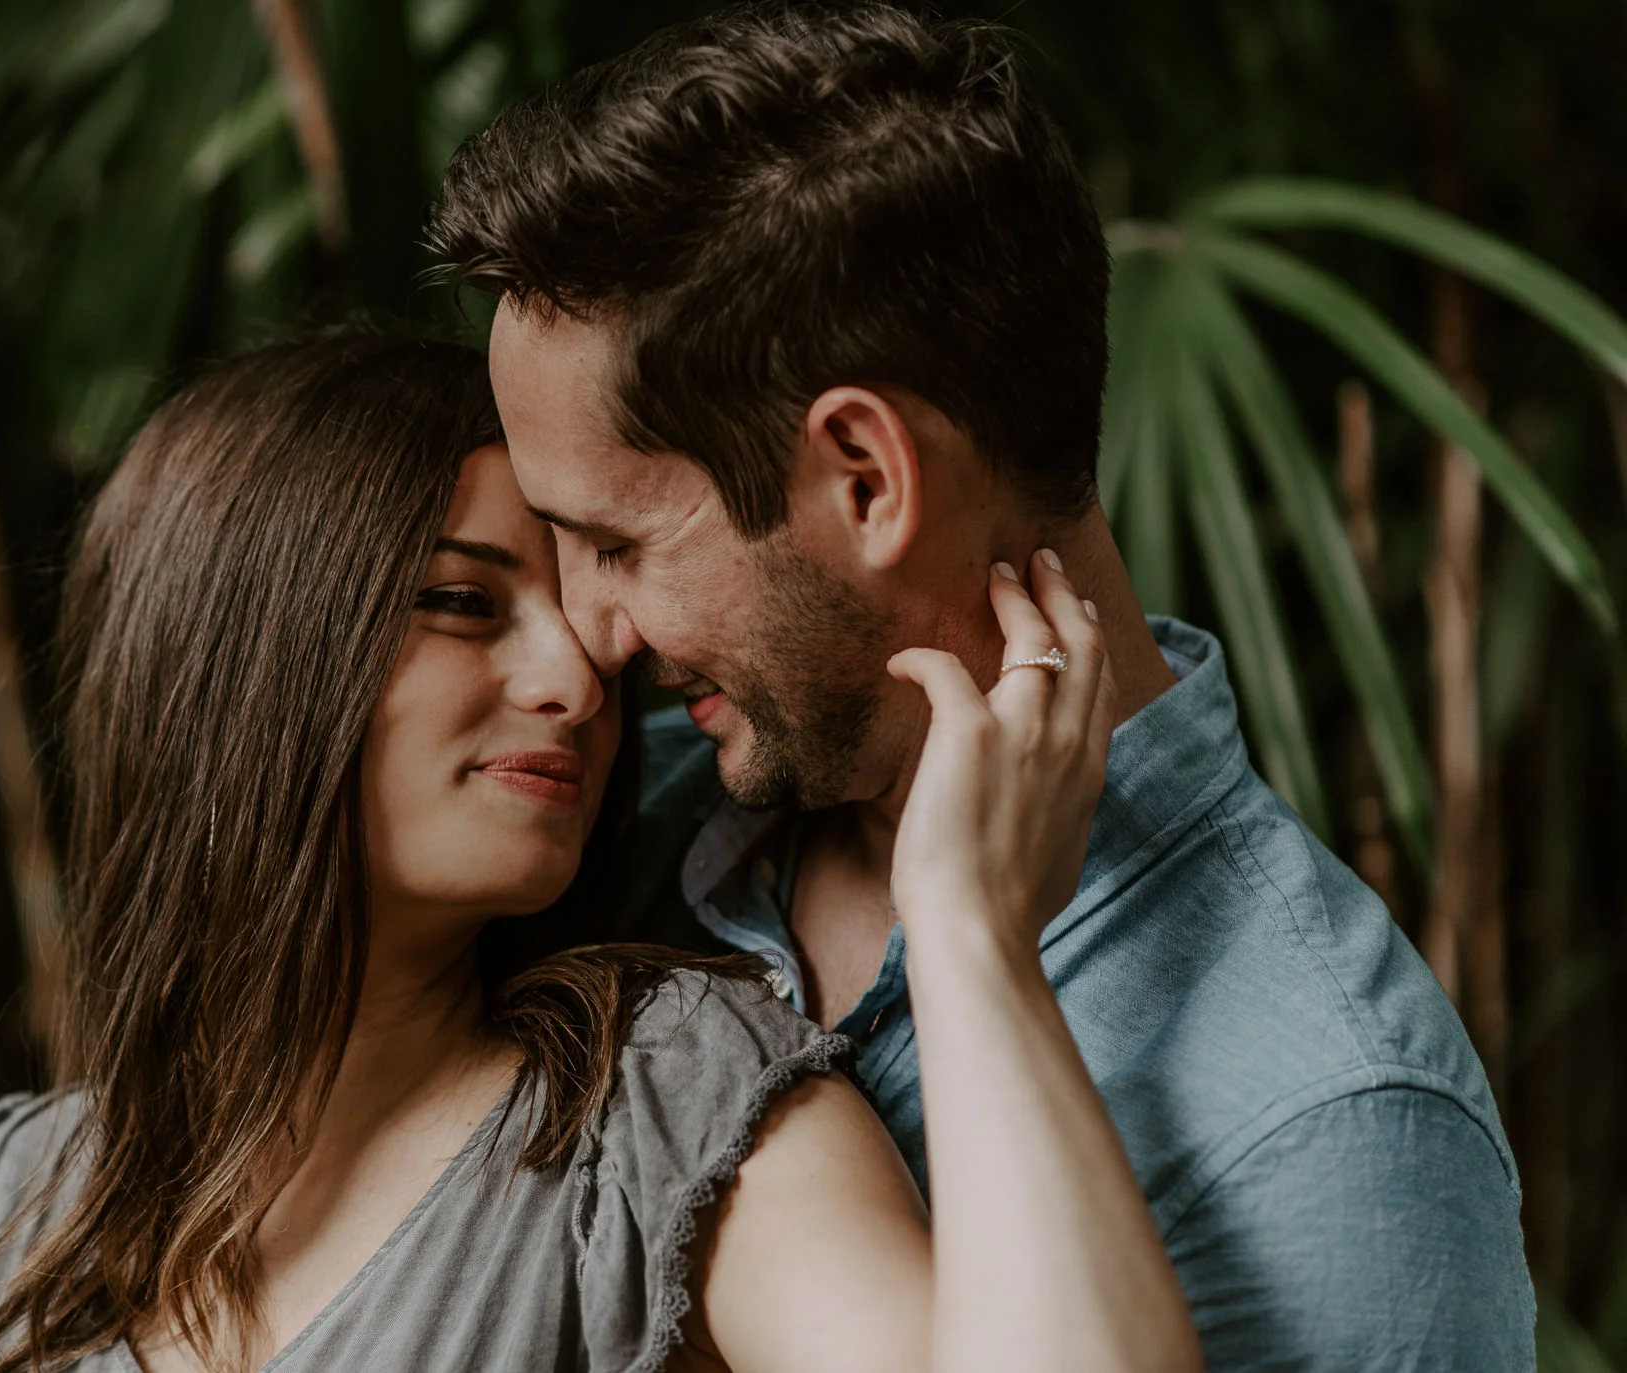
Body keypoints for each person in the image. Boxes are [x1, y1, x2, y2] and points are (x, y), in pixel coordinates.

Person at [427, 3, 1536, 1367]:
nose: (590, 636)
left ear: (868, 479)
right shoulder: (602, 833)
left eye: (614, 544)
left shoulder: (1332, 1129)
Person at [0, 332, 1199, 1373]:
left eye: (588, 606)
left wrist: (967, 931)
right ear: (237, 653)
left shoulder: (662, 1125)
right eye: (467, 602)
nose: (582, 678)